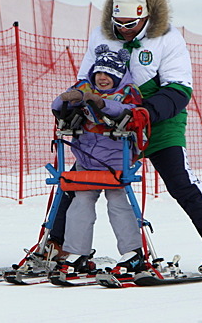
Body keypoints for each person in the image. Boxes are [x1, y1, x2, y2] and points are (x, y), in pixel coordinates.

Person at [47, 0, 202, 274]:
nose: (124, 29)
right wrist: (76, 105)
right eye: (119, 23)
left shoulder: (167, 37)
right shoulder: (100, 35)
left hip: (158, 118)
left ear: (144, 17)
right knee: (79, 180)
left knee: (181, 182)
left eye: (130, 24)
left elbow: (180, 89)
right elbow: (86, 78)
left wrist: (144, 113)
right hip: (109, 118)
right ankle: (58, 245)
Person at [50, 44, 146, 274]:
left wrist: (100, 103)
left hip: (116, 162)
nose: (102, 78)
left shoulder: (128, 92)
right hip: (87, 159)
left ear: (118, 75)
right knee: (79, 204)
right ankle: (76, 253)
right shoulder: (84, 88)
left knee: (118, 205)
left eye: (108, 74)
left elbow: (127, 111)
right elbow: (57, 106)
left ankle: (133, 252)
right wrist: (69, 99)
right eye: (99, 73)